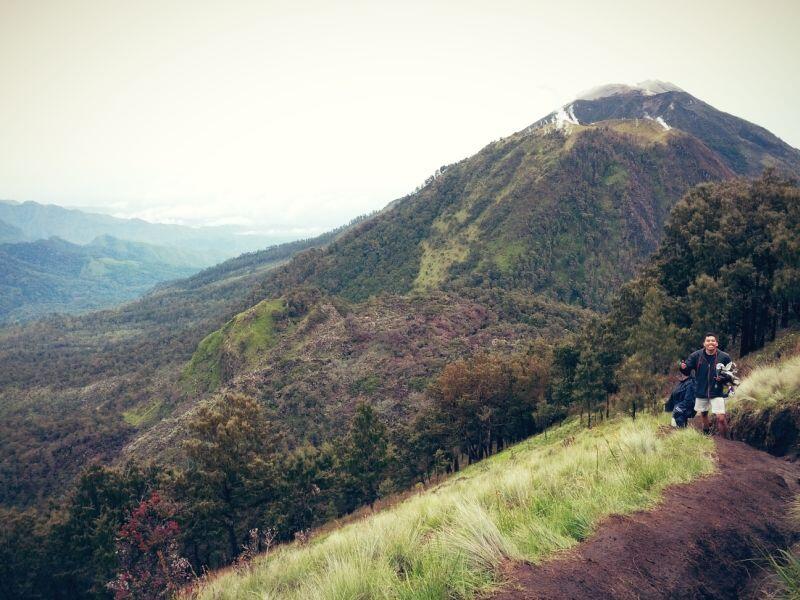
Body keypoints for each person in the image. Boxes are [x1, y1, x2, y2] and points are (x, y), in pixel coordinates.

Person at [681, 332, 732, 436]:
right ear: (704, 343)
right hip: (701, 390)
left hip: (717, 391)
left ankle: (726, 440)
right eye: (708, 341)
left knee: (721, 418)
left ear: (716, 343)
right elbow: (687, 371)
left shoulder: (725, 357)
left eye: (713, 341)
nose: (710, 343)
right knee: (703, 413)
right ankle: (706, 433)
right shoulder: (696, 356)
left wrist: (722, 378)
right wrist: (683, 368)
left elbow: (731, 374)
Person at [666, 362, 695, 428]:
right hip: (678, 411)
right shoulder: (681, 383)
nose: (677, 375)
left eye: (678, 373)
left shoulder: (690, 384)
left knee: (679, 429)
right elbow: (674, 396)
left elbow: (689, 400)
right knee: (674, 427)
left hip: (683, 411)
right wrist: (668, 407)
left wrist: (678, 409)